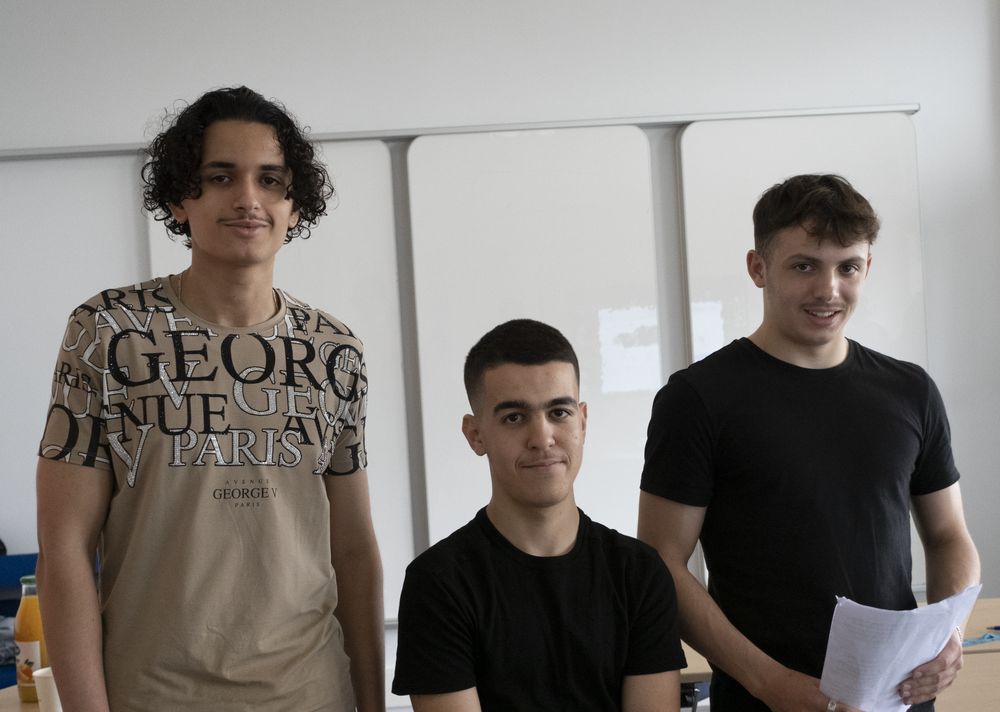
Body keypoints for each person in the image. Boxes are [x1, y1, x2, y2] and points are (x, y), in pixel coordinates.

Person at [35, 86, 384, 711]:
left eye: (270, 180)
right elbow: (64, 550)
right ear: (180, 197)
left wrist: (371, 704)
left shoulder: (335, 351)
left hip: (310, 694)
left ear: (294, 205)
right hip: (153, 694)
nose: (248, 198)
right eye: (220, 177)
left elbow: (354, 550)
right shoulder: (109, 331)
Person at [637, 174, 981, 712]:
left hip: (896, 700)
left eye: (848, 267)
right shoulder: (697, 399)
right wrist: (770, 683)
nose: (828, 290)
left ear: (867, 268)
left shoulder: (911, 391)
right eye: (804, 266)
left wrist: (949, 634)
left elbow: (948, 535)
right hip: (762, 702)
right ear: (758, 268)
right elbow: (662, 563)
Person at [392, 319, 686, 711]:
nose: (542, 438)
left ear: (582, 421)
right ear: (475, 434)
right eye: (514, 417)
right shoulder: (438, 584)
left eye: (559, 412)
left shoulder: (639, 574)